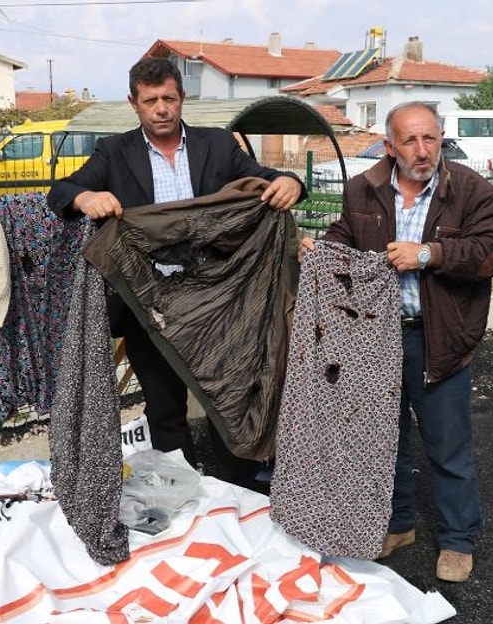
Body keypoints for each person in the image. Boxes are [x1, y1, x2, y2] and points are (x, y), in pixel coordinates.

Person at [47, 57, 304, 492]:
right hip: (150, 306)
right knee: (165, 405)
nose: (161, 109)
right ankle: (181, 494)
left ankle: (239, 491)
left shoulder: (218, 146)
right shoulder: (114, 153)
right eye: (151, 101)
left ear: (182, 98)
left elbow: (264, 179)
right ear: (134, 104)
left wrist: (292, 182)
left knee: (231, 393)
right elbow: (62, 192)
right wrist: (86, 197)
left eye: (169, 98)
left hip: (218, 299)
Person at [300, 101, 493, 582]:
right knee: (384, 441)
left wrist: (430, 254)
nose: (422, 150)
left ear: (441, 139)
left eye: (430, 138)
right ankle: (399, 523)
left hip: (437, 339)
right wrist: (320, 249)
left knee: (447, 445)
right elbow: (345, 237)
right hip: (375, 338)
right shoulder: (364, 189)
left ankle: (458, 540)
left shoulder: (471, 190)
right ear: (390, 146)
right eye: (410, 141)